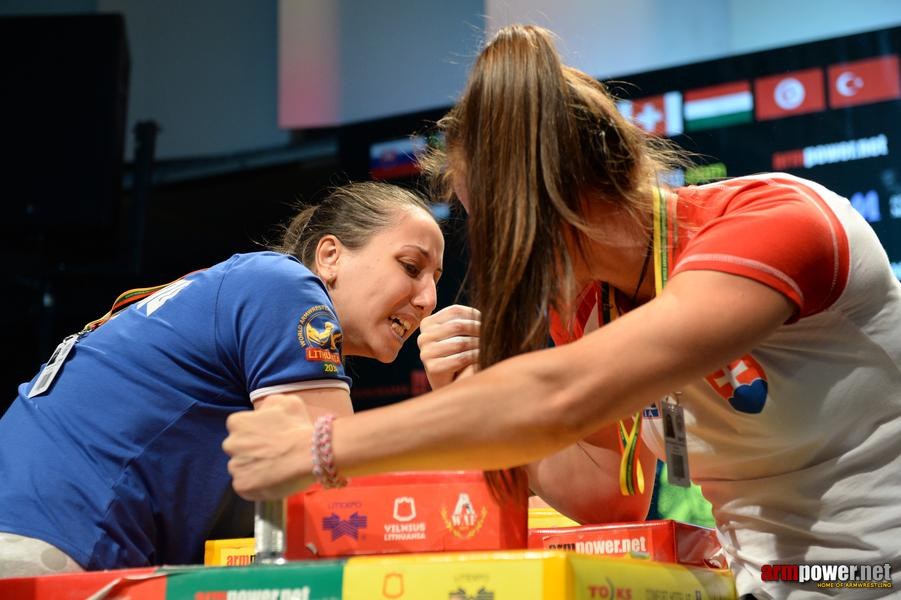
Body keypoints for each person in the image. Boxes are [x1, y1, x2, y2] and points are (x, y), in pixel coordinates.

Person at [223, 25, 901, 599]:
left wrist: (319, 448)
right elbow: (609, 497)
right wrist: (472, 385)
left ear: (549, 194)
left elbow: (560, 396)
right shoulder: (591, 299)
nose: (488, 242)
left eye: (487, 215)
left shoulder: (777, 224)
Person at [0, 182, 444, 577]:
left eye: (435, 279)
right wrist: (455, 400)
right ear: (330, 256)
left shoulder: (238, 295)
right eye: (410, 266)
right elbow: (339, 499)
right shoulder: (284, 285)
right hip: (45, 542)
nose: (428, 299)